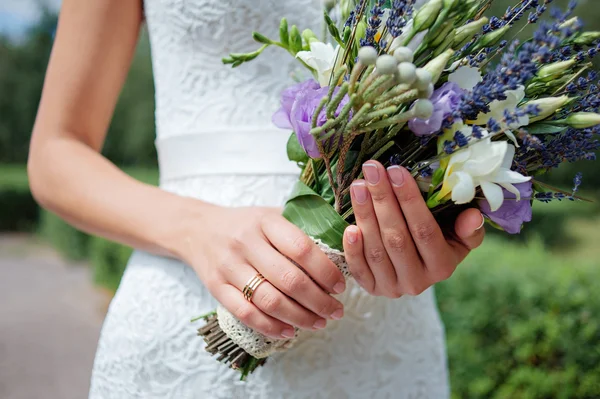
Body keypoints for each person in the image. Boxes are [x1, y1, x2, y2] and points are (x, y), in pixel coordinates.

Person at [28, 0, 485, 398]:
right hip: (184, 295)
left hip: (383, 334)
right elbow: (55, 154)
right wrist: (198, 230)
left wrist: (434, 228)